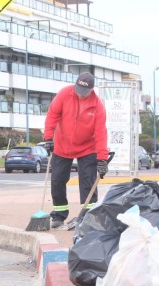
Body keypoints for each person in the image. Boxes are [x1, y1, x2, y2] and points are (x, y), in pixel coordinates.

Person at [43, 72, 109, 229]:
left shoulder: (98, 106)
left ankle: (88, 215)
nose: (80, 95)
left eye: (84, 92)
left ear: (92, 90)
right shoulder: (65, 94)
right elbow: (52, 114)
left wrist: (102, 159)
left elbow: (101, 134)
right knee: (58, 180)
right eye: (78, 90)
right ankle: (59, 214)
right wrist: (48, 138)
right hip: (62, 144)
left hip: (87, 147)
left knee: (88, 181)